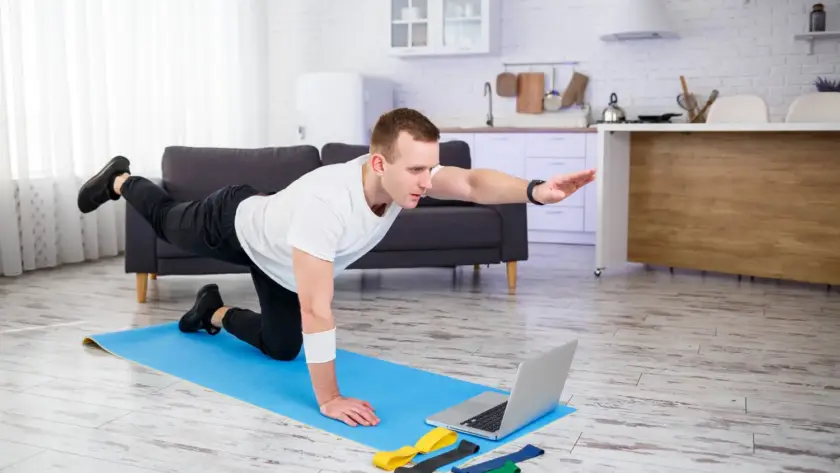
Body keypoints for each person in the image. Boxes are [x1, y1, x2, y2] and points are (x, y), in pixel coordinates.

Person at [76, 107, 595, 429]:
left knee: (282, 349)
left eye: (427, 168)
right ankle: (122, 180)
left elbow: (473, 184)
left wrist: (537, 192)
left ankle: (210, 312)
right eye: (415, 170)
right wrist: (329, 398)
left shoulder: (403, 179)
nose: (424, 180)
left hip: (278, 256)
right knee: (167, 222)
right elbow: (317, 308)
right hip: (233, 221)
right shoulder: (327, 208)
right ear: (378, 164)